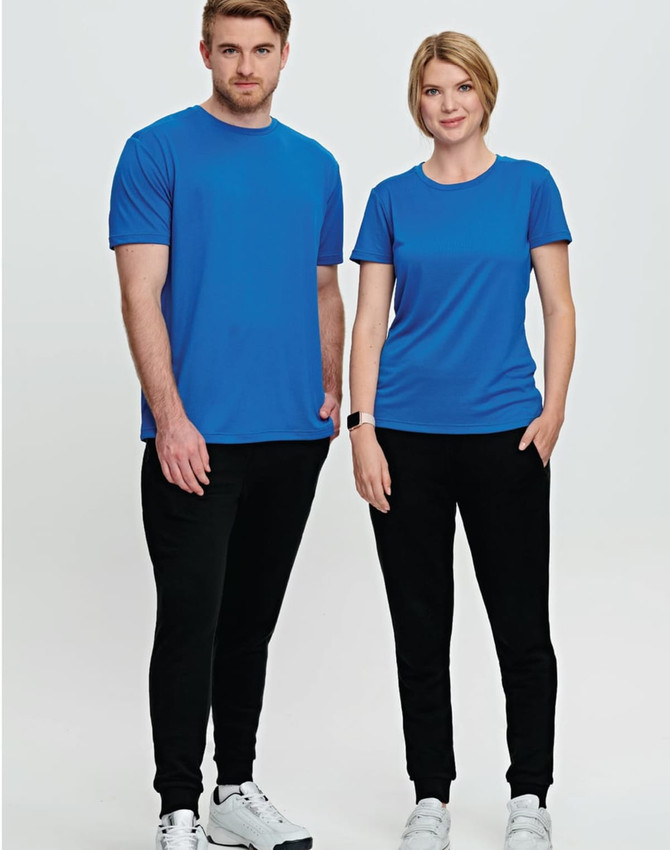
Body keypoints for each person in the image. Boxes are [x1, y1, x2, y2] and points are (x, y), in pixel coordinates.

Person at [109, 1, 344, 848]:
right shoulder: (156, 151)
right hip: (196, 438)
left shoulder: (317, 166)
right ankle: (177, 806)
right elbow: (140, 293)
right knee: (191, 622)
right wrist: (169, 418)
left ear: (285, 55)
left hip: (292, 437)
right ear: (205, 51)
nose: (246, 66)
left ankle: (234, 790)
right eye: (231, 49)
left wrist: (330, 389)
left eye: (262, 50)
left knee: (250, 623)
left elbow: (325, 289)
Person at [348, 31, 574, 850]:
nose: (447, 104)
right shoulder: (390, 198)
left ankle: (529, 797)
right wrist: (362, 431)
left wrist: (552, 411)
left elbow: (557, 306)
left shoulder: (528, 187)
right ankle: (431, 797)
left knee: (521, 624)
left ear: (485, 94)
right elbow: (370, 323)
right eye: (433, 90)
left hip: (506, 438)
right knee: (420, 622)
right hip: (404, 435)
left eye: (460, 89)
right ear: (417, 101)